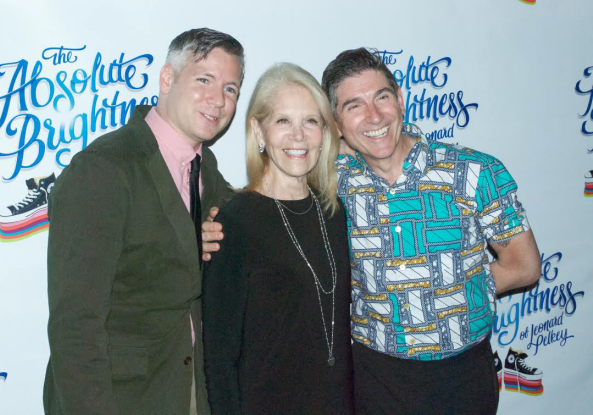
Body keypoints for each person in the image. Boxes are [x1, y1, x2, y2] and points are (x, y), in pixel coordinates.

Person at [203, 48, 541, 414]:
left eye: (382, 97)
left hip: (463, 378)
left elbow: (524, 266)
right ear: (338, 124)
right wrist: (212, 225)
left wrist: (451, 290)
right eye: (354, 106)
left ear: (400, 99)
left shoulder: (474, 173)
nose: (374, 116)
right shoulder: (339, 183)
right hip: (373, 382)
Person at [43, 28, 243, 415]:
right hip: (121, 398)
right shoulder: (103, 169)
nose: (218, 100)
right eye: (205, 80)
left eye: (231, 88)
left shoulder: (208, 169)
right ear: (167, 79)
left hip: (188, 392)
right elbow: (75, 327)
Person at [201, 63, 353, 414]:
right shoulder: (235, 222)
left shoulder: (333, 212)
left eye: (311, 121)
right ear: (259, 130)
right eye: (283, 121)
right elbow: (219, 358)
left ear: (325, 133)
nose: (298, 136)